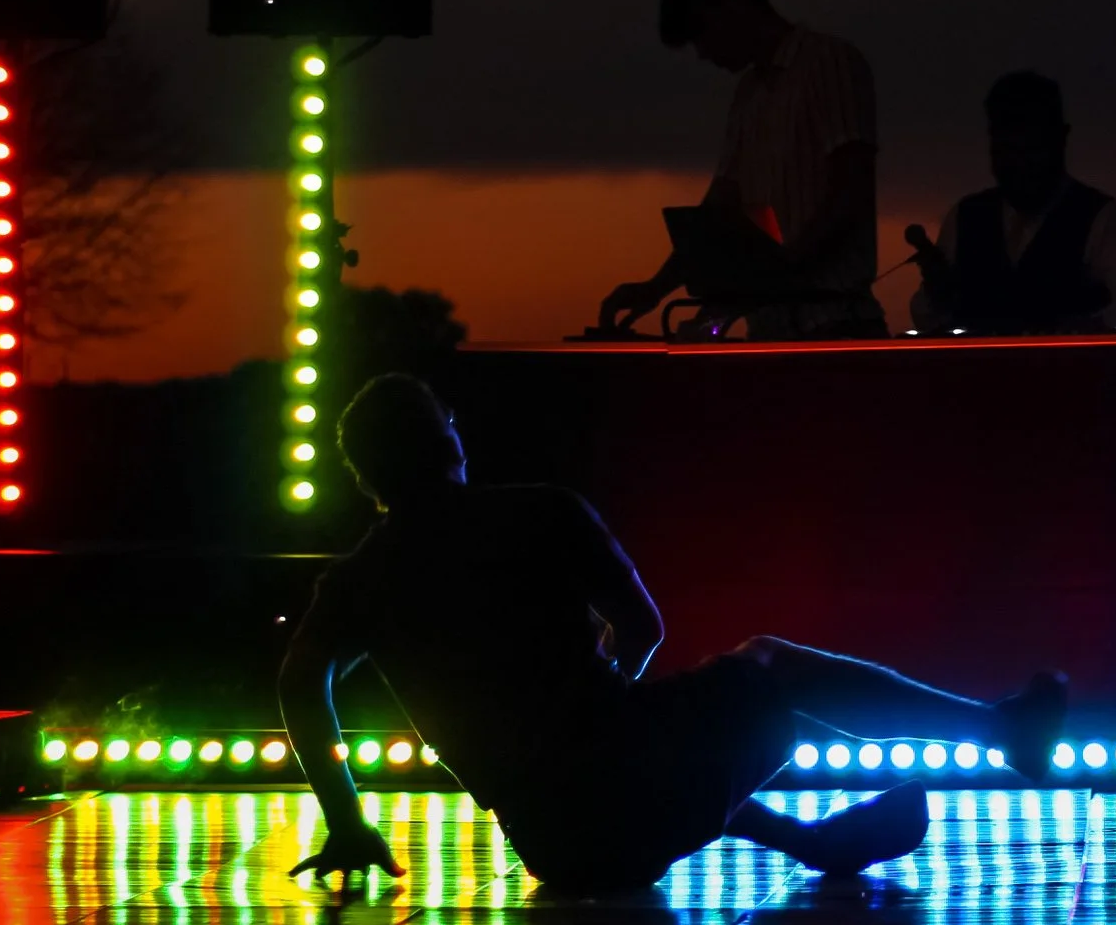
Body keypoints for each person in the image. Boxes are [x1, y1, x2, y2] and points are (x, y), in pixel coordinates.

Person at [282, 374, 1069, 892]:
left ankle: (811, 845)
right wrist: (601, 710)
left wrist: (346, 818)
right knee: (764, 666)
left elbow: (299, 686)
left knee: (642, 746)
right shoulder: (540, 511)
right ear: (451, 439)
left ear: (368, 478)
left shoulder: (359, 578)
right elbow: (644, 625)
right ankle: (1002, 733)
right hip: (631, 794)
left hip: (558, 850)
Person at [599, 0, 886, 340]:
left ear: (735, 2)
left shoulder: (830, 62)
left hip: (836, 322)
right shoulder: (748, 95)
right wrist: (656, 288)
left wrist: (782, 270)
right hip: (771, 330)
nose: (702, 52)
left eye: (701, 31)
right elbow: (722, 206)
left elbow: (850, 188)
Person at [908, 71, 1116, 336]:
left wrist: (1081, 333)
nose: (1019, 164)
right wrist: (936, 294)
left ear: (1060, 139)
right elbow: (925, 316)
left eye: (1031, 147)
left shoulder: (1109, 220)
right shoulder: (964, 217)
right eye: (1007, 149)